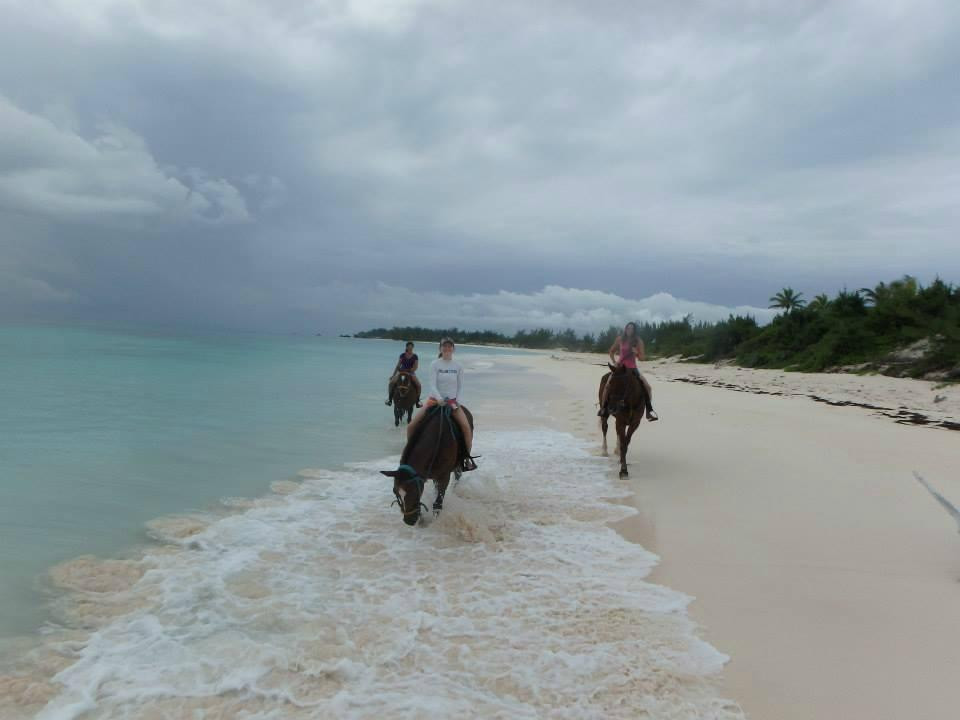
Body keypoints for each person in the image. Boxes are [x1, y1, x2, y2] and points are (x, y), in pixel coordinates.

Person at [406, 337, 476, 471]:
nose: (447, 349)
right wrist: (438, 398)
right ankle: (411, 456)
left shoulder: (458, 366)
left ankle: (466, 458)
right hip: (434, 400)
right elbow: (432, 384)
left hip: (453, 402)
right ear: (440, 348)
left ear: (453, 349)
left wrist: (457, 401)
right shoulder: (435, 364)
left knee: (466, 428)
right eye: (444, 346)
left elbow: (460, 386)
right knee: (411, 427)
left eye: (450, 346)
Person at [598, 322, 659, 421]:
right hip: (620, 368)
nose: (629, 330)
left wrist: (637, 353)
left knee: (648, 387)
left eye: (631, 328)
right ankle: (604, 408)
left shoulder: (638, 341)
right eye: (628, 328)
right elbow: (611, 351)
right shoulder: (620, 339)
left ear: (634, 330)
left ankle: (649, 411)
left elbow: (643, 357)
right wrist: (614, 362)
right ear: (625, 329)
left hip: (632, 368)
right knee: (607, 385)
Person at [385, 341, 421, 407]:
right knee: (391, 383)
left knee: (419, 385)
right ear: (406, 347)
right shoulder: (402, 355)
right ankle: (390, 399)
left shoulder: (415, 356)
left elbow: (416, 367)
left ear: (413, 348)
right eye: (409, 347)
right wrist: (393, 375)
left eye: (411, 347)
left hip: (410, 372)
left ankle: (417, 401)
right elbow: (398, 365)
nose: (410, 348)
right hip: (401, 372)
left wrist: (410, 370)